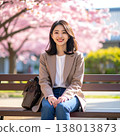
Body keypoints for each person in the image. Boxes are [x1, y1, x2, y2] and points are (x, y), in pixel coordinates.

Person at [38, 20, 86, 120]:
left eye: (64, 32)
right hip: (50, 93)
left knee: (62, 107)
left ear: (69, 35)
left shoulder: (78, 56)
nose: (60, 36)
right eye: (56, 32)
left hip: (71, 95)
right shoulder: (44, 57)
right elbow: (43, 80)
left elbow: (76, 82)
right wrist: (50, 96)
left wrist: (65, 96)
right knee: (47, 107)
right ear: (51, 35)